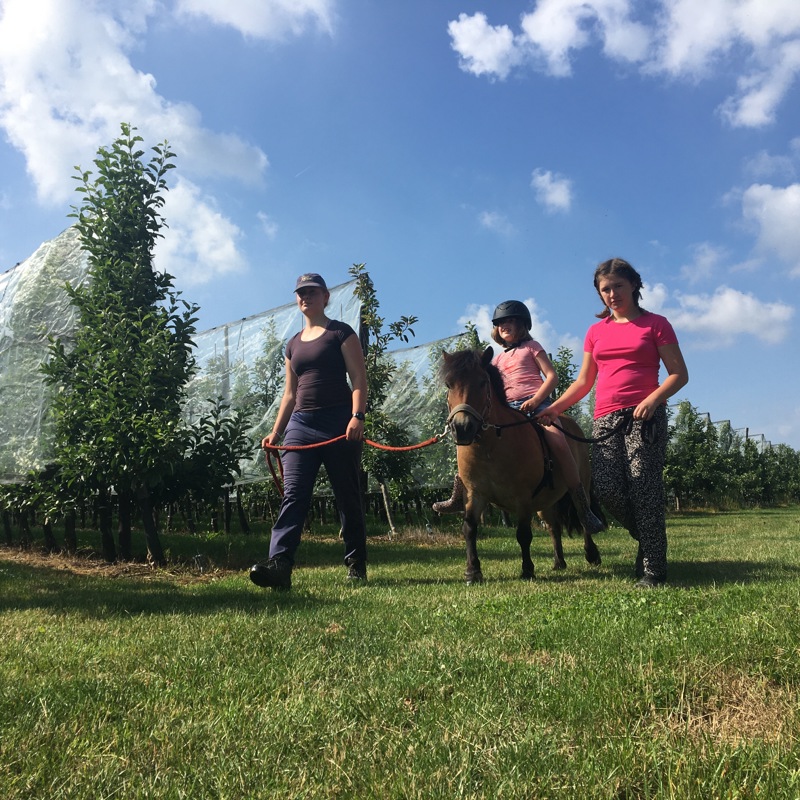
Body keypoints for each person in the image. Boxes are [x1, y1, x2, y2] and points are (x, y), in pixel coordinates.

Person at [537, 258, 689, 588]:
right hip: (605, 417)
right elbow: (583, 382)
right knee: (606, 489)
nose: (611, 294)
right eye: (604, 289)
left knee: (643, 486)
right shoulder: (595, 332)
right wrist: (554, 409)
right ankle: (649, 538)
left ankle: (654, 570)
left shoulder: (656, 324)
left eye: (618, 286)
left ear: (634, 285)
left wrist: (652, 399)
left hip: (644, 415)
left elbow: (679, 374)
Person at [434, 300, 604, 536]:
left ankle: (582, 506)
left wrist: (537, 401)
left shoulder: (532, 347)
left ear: (523, 325)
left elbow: (552, 377)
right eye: (501, 322)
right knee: (470, 442)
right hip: (507, 409)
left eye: (511, 321)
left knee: (559, 442)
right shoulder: (497, 358)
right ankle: (459, 492)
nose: (505, 325)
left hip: (537, 406)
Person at [249, 273, 368, 590]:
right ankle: (280, 565)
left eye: (312, 292)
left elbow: (358, 380)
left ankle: (356, 563)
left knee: (347, 495)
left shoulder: (341, 333)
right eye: (301, 293)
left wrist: (357, 416)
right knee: (294, 495)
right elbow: (289, 394)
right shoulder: (292, 345)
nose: (305, 297)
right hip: (301, 425)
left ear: (325, 297)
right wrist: (276, 433)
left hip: (339, 422)